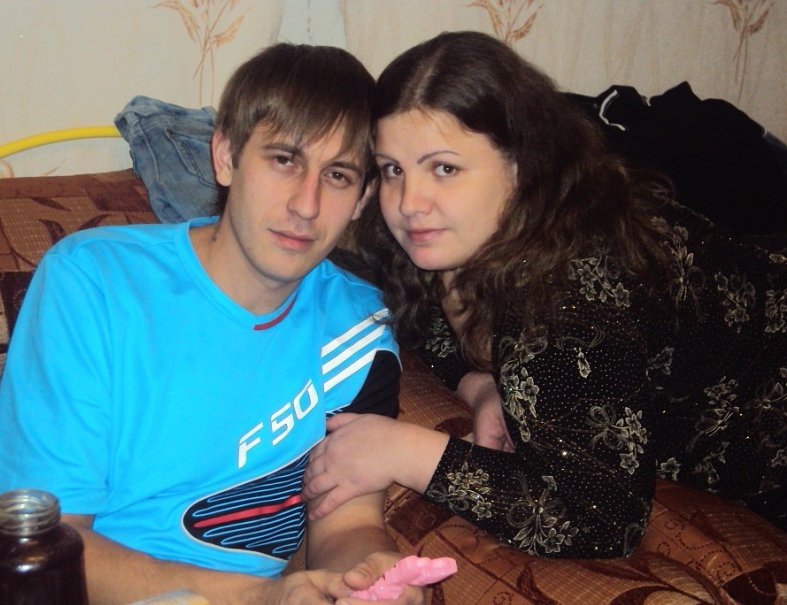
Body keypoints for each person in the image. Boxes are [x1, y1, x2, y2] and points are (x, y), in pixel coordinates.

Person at [302, 30, 787, 559]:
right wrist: (478, 383)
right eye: (393, 168)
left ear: (522, 164)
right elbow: (424, 322)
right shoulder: (444, 239)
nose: (409, 201)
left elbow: (601, 521)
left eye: (445, 168)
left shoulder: (568, 293)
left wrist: (408, 451)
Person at [0, 43, 423, 605]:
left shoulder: (358, 329)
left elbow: (346, 524)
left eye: (337, 175)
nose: (306, 205)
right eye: (284, 160)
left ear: (362, 199)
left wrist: (367, 577)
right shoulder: (93, 282)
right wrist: (253, 597)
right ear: (226, 156)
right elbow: (41, 545)